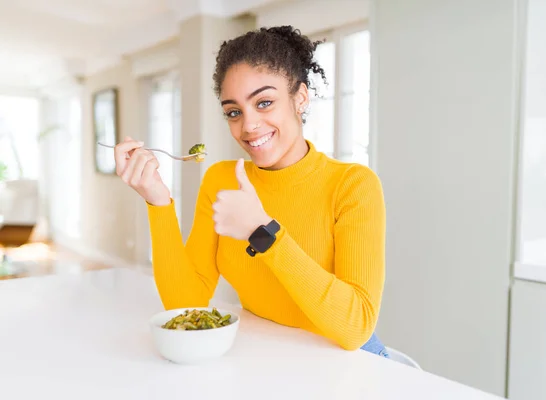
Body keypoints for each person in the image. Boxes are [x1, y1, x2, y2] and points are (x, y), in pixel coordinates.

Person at [114, 25, 388, 357]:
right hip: (268, 354)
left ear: (300, 97)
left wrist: (264, 233)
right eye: (234, 112)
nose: (248, 126)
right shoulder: (221, 180)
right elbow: (187, 303)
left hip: (348, 362)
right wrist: (158, 200)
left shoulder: (353, 186)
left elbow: (357, 327)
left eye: (265, 102)